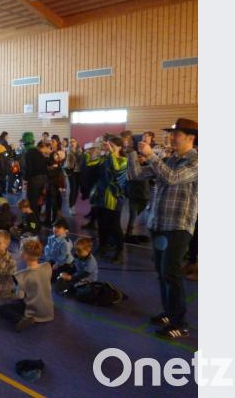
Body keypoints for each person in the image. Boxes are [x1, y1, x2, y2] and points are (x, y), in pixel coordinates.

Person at [127, 118, 198, 339]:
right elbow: (136, 175)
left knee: (171, 272)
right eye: (171, 134)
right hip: (158, 224)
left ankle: (180, 323)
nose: (171, 137)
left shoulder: (196, 161)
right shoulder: (169, 159)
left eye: (176, 134)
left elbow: (172, 178)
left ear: (191, 138)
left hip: (178, 226)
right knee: (161, 272)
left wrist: (151, 155)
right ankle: (169, 313)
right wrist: (131, 152)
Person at [86, 136, 128, 264]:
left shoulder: (123, 160)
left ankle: (119, 251)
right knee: (101, 224)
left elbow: (116, 169)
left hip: (114, 198)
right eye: (109, 145)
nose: (109, 148)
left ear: (120, 147)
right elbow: (90, 163)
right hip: (101, 195)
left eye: (113, 146)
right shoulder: (105, 157)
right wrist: (91, 152)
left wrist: (110, 153)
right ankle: (102, 246)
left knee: (115, 226)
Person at [0, 237, 53, 331]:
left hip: (34, 311)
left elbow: (19, 296)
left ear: (24, 255)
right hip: (48, 311)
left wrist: (10, 293)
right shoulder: (47, 266)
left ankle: (21, 319)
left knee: (4, 308)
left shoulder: (22, 276)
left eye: (21, 249)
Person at [23, 140, 48, 216]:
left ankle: (33, 219)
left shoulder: (28, 153)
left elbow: (29, 169)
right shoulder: (41, 154)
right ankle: (37, 219)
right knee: (39, 201)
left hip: (34, 180)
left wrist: (25, 181)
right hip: (44, 180)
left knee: (32, 202)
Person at [64, 137, 84, 215]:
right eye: (70, 142)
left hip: (78, 171)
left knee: (76, 190)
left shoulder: (80, 150)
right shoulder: (68, 150)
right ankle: (71, 206)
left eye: (73, 141)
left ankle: (73, 205)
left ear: (76, 142)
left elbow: (81, 160)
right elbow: (66, 161)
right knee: (73, 188)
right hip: (70, 171)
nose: (72, 143)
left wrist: (76, 153)